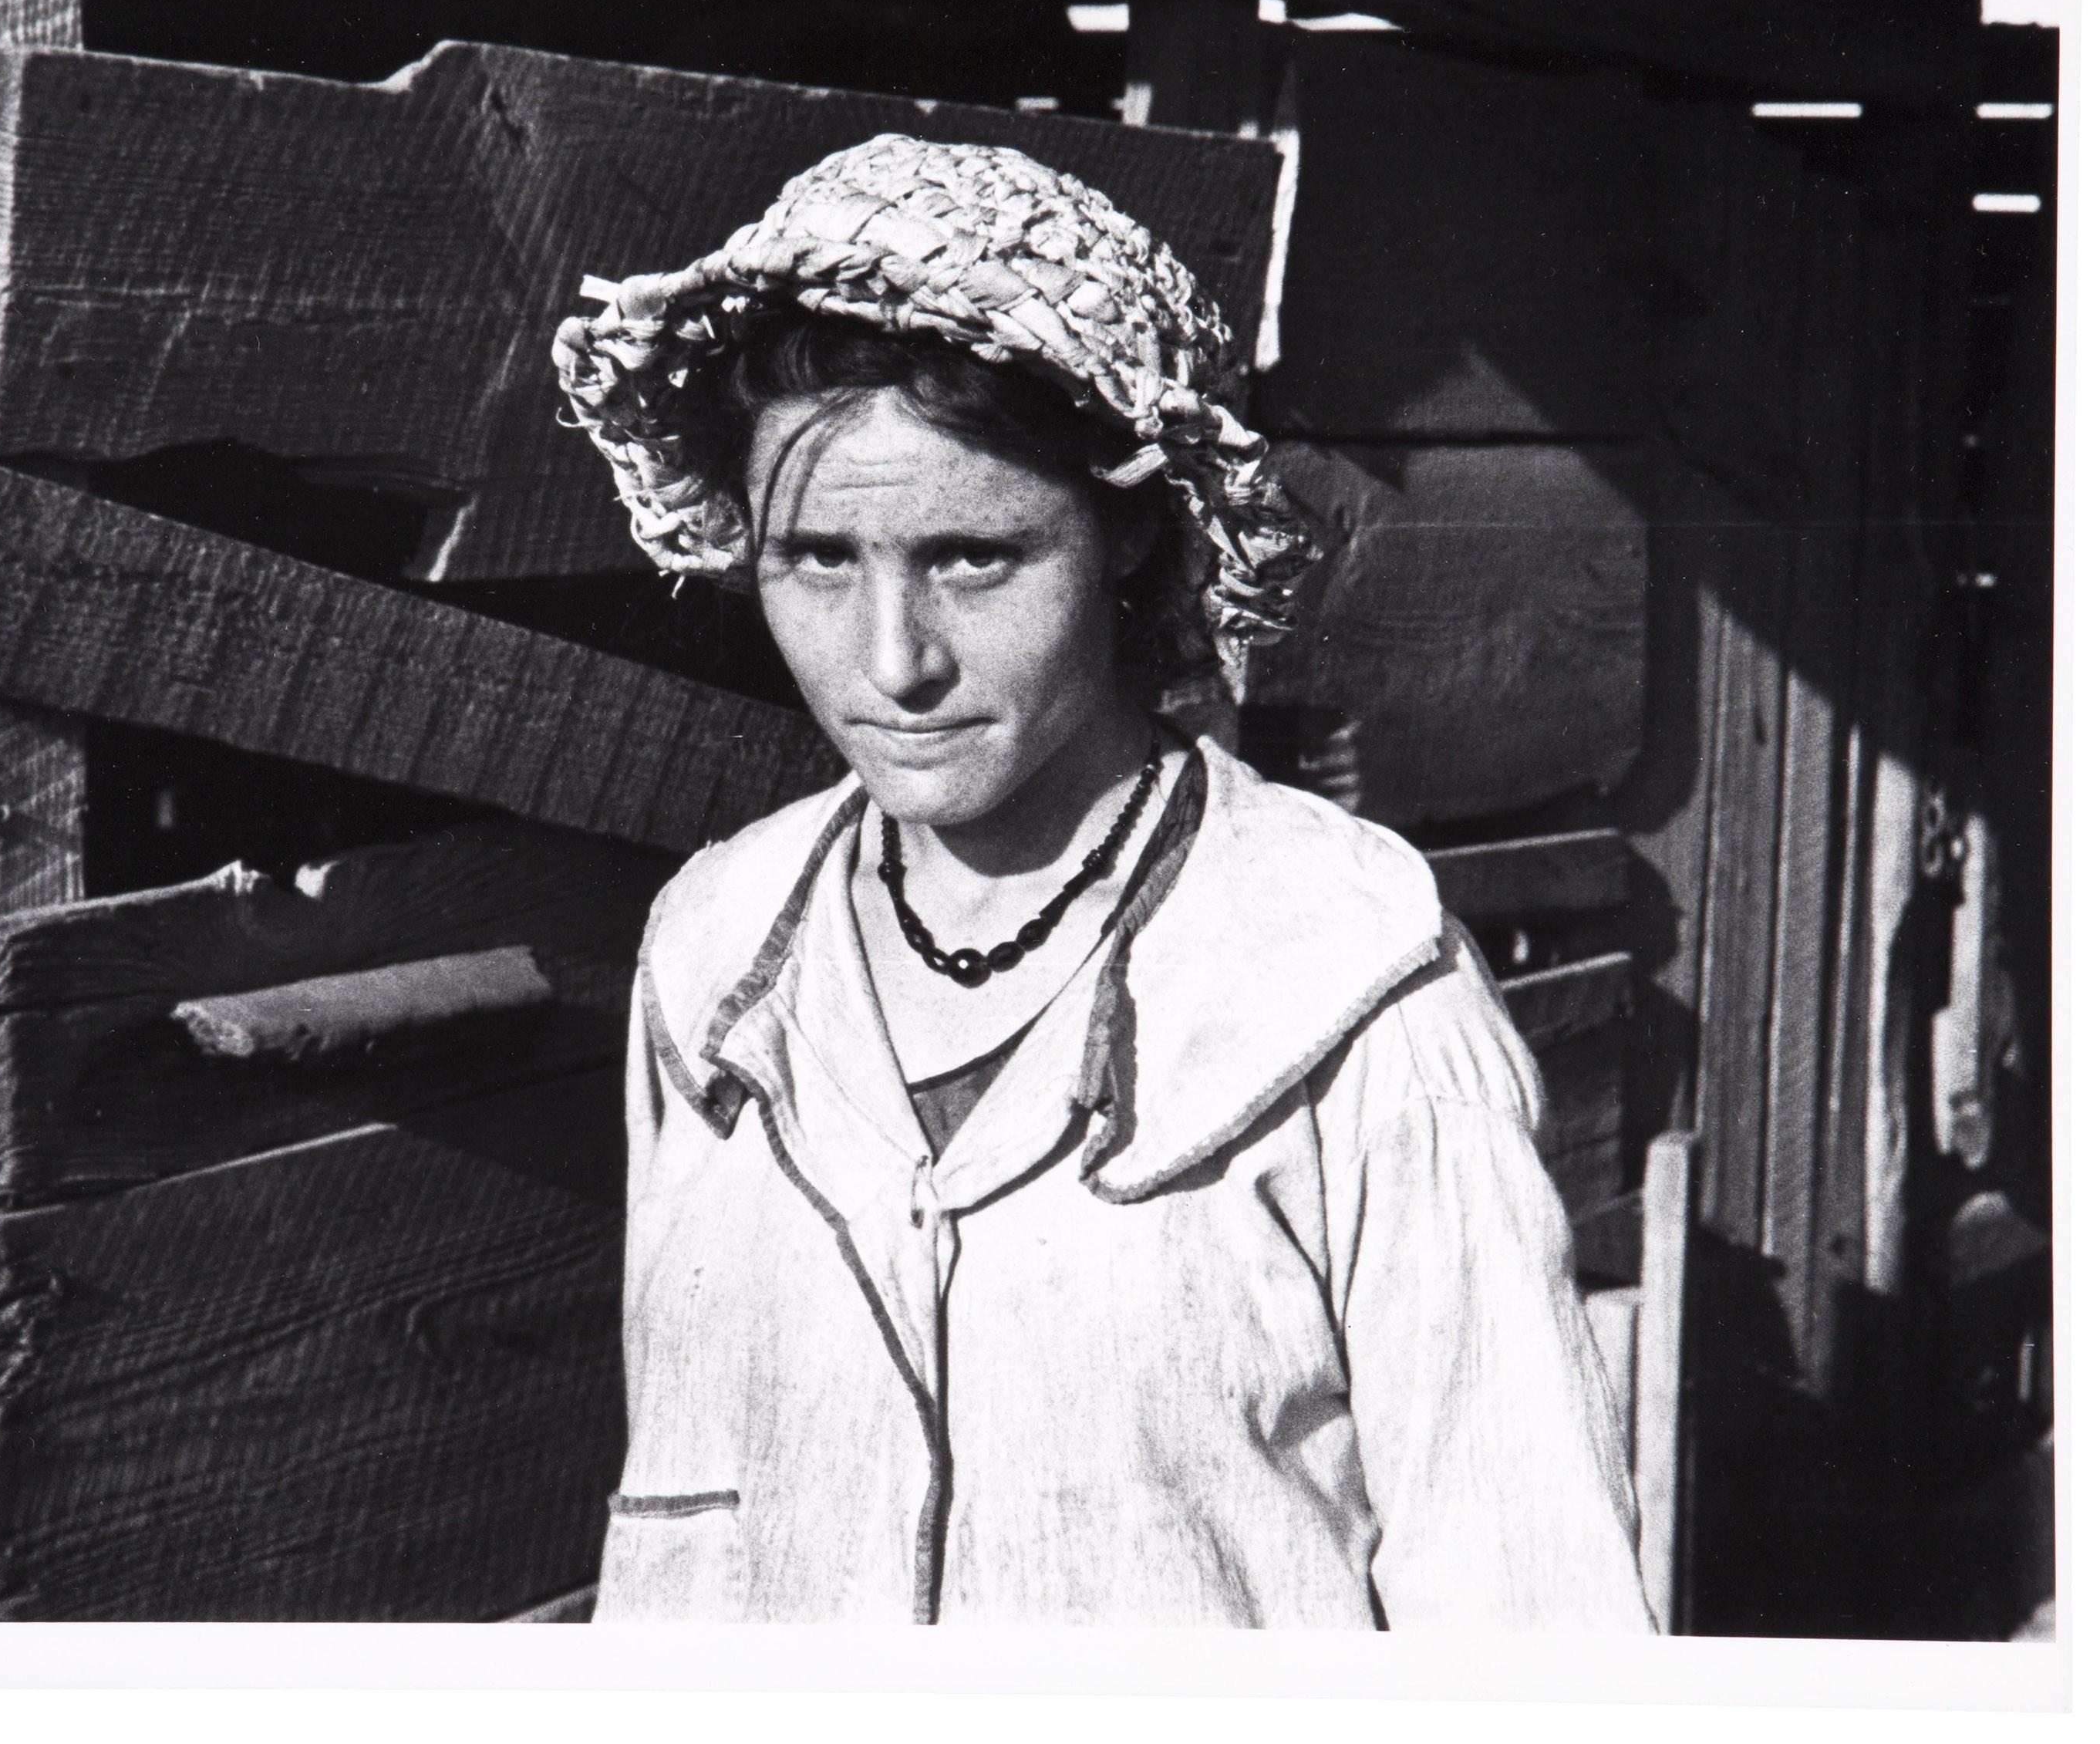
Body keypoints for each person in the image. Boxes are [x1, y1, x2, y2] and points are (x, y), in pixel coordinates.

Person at [550, 133, 1653, 1628]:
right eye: (815, 558)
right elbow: (681, 1527)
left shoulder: (1338, 973)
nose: (892, 663)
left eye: (974, 556)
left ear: (1131, 532)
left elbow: (1526, 1598)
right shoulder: (721, 947)